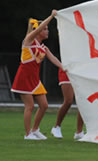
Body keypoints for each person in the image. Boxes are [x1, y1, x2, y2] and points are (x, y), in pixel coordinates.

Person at [11, 10, 63, 140]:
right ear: (38, 31)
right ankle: (28, 134)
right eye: (45, 29)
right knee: (30, 106)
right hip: (24, 77)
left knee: (44, 105)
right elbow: (39, 27)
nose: (47, 31)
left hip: (34, 79)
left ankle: (35, 130)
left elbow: (53, 59)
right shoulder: (28, 40)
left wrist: (65, 68)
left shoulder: (43, 47)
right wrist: (51, 16)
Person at [51, 68, 85, 140]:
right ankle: (57, 127)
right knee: (68, 101)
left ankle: (79, 132)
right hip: (67, 70)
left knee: (82, 102)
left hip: (80, 71)